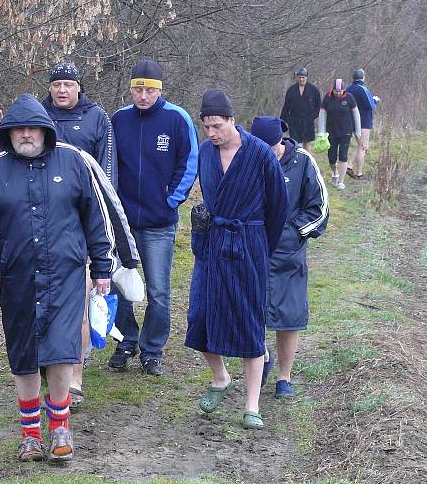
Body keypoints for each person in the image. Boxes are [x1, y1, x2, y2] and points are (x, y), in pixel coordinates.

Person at [0, 93, 123, 463]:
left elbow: (96, 220)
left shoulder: (74, 163)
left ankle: (61, 428)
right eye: (18, 129)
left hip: (66, 274)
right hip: (17, 278)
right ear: (8, 133)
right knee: (24, 354)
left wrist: (102, 267)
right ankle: (30, 435)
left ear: (45, 130)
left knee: (61, 347)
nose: (26, 135)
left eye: (33, 128)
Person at [185, 90, 288, 430]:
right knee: (199, 316)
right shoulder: (204, 152)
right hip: (212, 244)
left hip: (248, 243)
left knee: (248, 322)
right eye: (206, 127)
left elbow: (278, 207)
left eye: (216, 125)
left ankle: (252, 405)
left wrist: (258, 245)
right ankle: (220, 378)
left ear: (231, 120)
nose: (211, 133)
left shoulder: (259, 154)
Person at [108, 59, 199, 376]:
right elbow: (108, 165)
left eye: (149, 90)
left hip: (159, 223)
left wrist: (170, 200)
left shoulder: (177, 118)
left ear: (160, 90)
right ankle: (126, 341)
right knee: (120, 286)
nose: (142, 96)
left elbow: (189, 162)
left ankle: (152, 349)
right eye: (137, 89)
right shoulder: (118, 120)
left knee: (158, 290)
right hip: (123, 223)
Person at [41, 62, 121, 409]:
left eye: (68, 84)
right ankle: (49, 366)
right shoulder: (37, 116)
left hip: (84, 217)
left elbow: (107, 169)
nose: (62, 90)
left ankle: (75, 376)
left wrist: (102, 215)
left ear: (79, 87)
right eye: (56, 84)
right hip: (42, 220)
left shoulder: (97, 118)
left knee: (82, 300)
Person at [250, 116, 329, 399]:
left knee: (289, 315)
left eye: (271, 149)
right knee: (253, 312)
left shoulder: (303, 162)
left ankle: (285, 377)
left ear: (281, 142)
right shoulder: (248, 158)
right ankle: (261, 358)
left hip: (289, 254)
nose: (267, 155)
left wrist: (295, 232)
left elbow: (318, 207)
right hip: (254, 249)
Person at [317, 78, 361, 191]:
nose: (338, 93)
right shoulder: (327, 98)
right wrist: (321, 132)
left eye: (340, 91)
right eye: (336, 91)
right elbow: (322, 114)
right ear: (333, 90)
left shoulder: (349, 98)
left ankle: (341, 182)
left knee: (343, 156)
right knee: (331, 158)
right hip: (331, 132)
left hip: (346, 131)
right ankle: (335, 173)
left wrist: (358, 132)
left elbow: (356, 115)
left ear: (343, 90)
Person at [346, 68, 380, 180]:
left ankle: (349, 166)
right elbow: (371, 106)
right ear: (363, 77)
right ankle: (359, 173)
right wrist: (375, 100)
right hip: (364, 121)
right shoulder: (363, 89)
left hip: (352, 121)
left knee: (360, 145)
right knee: (363, 147)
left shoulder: (348, 89)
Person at [280, 67, 321, 152]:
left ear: (306, 77)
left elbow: (318, 106)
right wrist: (284, 121)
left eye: (303, 77)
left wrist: (312, 116)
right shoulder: (291, 90)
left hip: (308, 121)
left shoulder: (313, 90)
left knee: (307, 143)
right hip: (294, 122)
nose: (301, 79)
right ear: (296, 77)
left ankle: (307, 161)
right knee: (295, 144)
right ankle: (297, 161)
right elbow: (286, 107)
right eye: (299, 77)